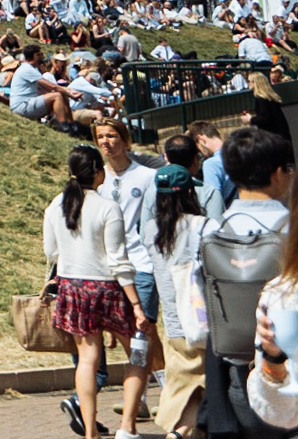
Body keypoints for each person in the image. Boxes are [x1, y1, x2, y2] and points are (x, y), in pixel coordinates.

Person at [195, 126, 294, 439]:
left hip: (236, 371)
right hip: (290, 372)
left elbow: (199, 311)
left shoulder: (211, 231)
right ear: (279, 173)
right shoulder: (291, 231)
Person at [48, 144, 147, 439]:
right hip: (108, 288)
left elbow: (50, 251)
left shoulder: (56, 205)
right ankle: (127, 427)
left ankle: (90, 431)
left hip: (72, 287)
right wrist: (137, 305)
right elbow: (118, 260)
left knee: (88, 359)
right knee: (140, 353)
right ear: (98, 172)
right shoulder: (107, 207)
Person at [97, 118, 161, 437]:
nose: (106, 142)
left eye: (111, 136)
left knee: (141, 333)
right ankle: (156, 387)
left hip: (142, 264)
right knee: (138, 334)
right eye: (100, 137)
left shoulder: (148, 176)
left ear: (125, 139)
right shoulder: (97, 179)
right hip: (109, 268)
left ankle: (131, 420)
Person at [142, 146, 208, 439]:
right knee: (202, 387)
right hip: (205, 322)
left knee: (187, 386)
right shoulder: (204, 226)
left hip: (174, 323)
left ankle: (182, 432)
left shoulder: (150, 231)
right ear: (190, 194)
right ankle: (179, 433)